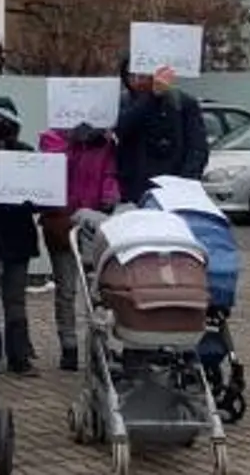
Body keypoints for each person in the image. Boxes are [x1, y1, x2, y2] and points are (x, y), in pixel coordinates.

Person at [39, 120, 118, 371]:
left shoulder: (106, 145)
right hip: (61, 221)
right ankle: (69, 346)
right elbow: (51, 169)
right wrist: (72, 141)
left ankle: (98, 345)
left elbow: (111, 174)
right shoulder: (54, 140)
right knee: (66, 290)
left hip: (93, 223)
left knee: (97, 291)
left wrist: (109, 198)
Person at [0, 96, 40, 375]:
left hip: (17, 234)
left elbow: (41, 194)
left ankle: (19, 356)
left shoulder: (26, 153)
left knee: (15, 299)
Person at [115, 61, 209, 204]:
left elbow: (197, 148)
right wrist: (152, 98)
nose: (137, 81)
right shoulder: (122, 103)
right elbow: (122, 128)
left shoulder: (181, 103)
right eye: (131, 76)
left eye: (143, 75)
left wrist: (185, 183)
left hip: (171, 189)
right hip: (131, 190)